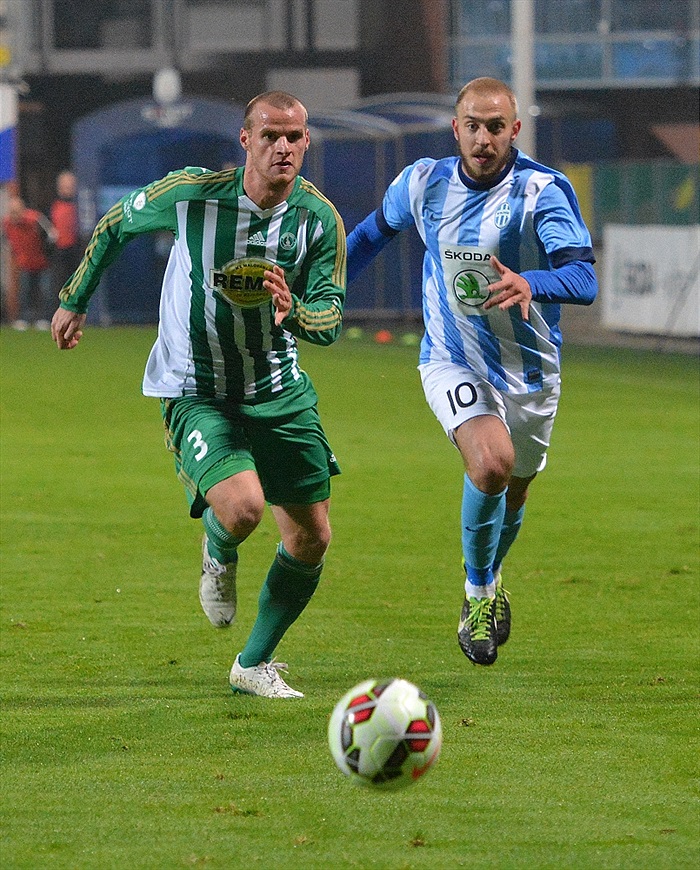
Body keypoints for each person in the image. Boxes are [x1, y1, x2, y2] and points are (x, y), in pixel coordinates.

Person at [52, 91, 347, 698]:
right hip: (196, 386)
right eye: (270, 136)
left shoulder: (319, 220)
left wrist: (294, 312)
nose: (283, 147)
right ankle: (218, 545)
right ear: (246, 141)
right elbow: (115, 223)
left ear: (307, 142)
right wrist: (75, 299)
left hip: (277, 388)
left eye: (294, 136)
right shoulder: (193, 195)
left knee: (312, 537)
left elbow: (332, 318)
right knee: (242, 509)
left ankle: (252, 666)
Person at [347, 77, 597, 666]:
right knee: (491, 465)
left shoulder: (542, 192)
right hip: (450, 357)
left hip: (531, 370)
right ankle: (479, 592)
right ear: (455, 127)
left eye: (495, 127)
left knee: (514, 491)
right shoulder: (423, 183)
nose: (483, 138)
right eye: (472, 126)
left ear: (514, 130)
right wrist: (325, 292)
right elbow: (368, 236)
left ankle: (485, 569)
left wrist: (530, 281)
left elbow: (584, 279)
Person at [2, 195, 56, 330]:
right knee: (24, 291)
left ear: (23, 209)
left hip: (42, 262)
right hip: (24, 263)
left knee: (45, 291)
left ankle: (44, 318)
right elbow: (6, 239)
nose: (14, 215)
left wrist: (47, 253)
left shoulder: (35, 219)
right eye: (12, 212)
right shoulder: (7, 223)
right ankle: (23, 319)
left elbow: (52, 235)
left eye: (16, 211)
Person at [50, 170, 83, 297]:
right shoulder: (53, 206)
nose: (66, 189)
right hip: (59, 252)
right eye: (63, 186)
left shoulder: (80, 206)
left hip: (77, 251)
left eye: (69, 186)